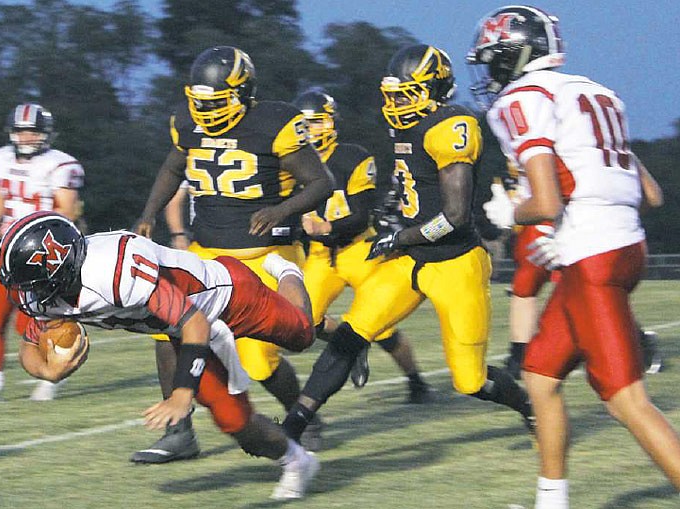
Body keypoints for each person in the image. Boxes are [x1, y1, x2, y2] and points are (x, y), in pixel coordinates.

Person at [467, 6, 680, 508]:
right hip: (624, 248)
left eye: (495, 58)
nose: (491, 70)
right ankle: (551, 500)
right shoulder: (595, 92)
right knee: (540, 377)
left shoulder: (522, 99)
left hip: (592, 258)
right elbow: (651, 194)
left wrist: (508, 214)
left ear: (517, 55)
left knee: (627, 402)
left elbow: (545, 202)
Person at [281, 44, 534, 445]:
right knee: (351, 335)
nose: (397, 102)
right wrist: (391, 212)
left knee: (469, 379)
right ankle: (292, 428)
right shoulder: (406, 126)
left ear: (433, 90)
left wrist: (397, 236)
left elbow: (454, 217)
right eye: (393, 94)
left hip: (455, 262)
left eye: (406, 93)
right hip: (410, 258)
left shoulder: (452, 126)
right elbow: (413, 185)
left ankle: (529, 407)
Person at [0, 211, 320, 500]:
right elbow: (29, 347)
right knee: (234, 422)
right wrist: (47, 372)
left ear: (61, 268)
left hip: (229, 297)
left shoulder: (115, 268)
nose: (31, 294)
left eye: (36, 283)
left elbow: (194, 321)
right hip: (183, 330)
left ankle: (288, 272)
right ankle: (298, 461)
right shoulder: (47, 292)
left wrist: (182, 394)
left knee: (303, 334)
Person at [134, 46, 333, 460]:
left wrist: (280, 209)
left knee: (259, 358)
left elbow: (320, 183)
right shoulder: (187, 122)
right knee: (164, 327)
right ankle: (178, 431)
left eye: (217, 102)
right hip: (206, 253)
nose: (206, 112)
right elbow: (173, 167)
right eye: (201, 102)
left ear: (243, 93)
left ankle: (305, 416)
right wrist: (149, 213)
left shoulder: (275, 123)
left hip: (265, 254)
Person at [293, 87, 431, 402]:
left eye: (314, 122)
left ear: (328, 123)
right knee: (303, 322)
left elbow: (360, 215)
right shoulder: (291, 161)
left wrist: (326, 226)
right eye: (303, 124)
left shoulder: (351, 157)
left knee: (380, 326)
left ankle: (416, 381)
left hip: (357, 247)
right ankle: (350, 344)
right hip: (319, 256)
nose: (309, 130)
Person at [486, 162, 663, 379]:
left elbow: (651, 195)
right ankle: (520, 357)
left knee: (586, 289)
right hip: (560, 216)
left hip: (577, 221)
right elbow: (652, 195)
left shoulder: (574, 139)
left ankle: (638, 341)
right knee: (528, 282)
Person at [0, 103, 84, 404]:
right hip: (9, 252)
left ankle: (50, 378)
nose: (27, 137)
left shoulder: (61, 166)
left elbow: (67, 211)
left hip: (40, 255)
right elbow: (1, 195)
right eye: (21, 131)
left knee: (32, 321)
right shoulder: (1, 158)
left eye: (33, 131)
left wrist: (37, 239)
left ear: (46, 134)